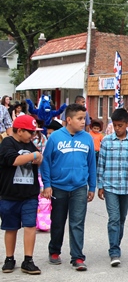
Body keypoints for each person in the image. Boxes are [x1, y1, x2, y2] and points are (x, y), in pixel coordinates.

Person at [41, 103, 96, 271]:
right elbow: (45, 162)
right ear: (69, 119)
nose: (83, 122)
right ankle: (54, 251)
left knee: (77, 222)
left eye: (84, 118)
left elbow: (91, 163)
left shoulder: (87, 138)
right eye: (79, 119)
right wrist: (47, 184)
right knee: (58, 221)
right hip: (58, 187)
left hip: (79, 187)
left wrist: (92, 186)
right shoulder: (55, 137)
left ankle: (77, 257)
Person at [97, 108, 128, 267]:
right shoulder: (107, 141)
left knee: (121, 219)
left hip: (126, 187)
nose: (117, 128)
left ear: (127, 124)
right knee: (114, 218)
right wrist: (100, 185)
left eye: (120, 125)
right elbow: (101, 163)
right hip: (110, 186)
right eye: (115, 125)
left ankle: (116, 241)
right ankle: (114, 251)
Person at [0, 115, 44, 274]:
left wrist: (38, 158)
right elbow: (14, 160)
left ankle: (28, 260)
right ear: (19, 131)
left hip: (29, 195)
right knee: (10, 228)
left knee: (30, 226)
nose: (33, 136)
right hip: (9, 194)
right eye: (30, 132)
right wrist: (33, 156)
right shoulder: (7, 143)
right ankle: (9, 258)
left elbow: (39, 157)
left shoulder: (30, 143)